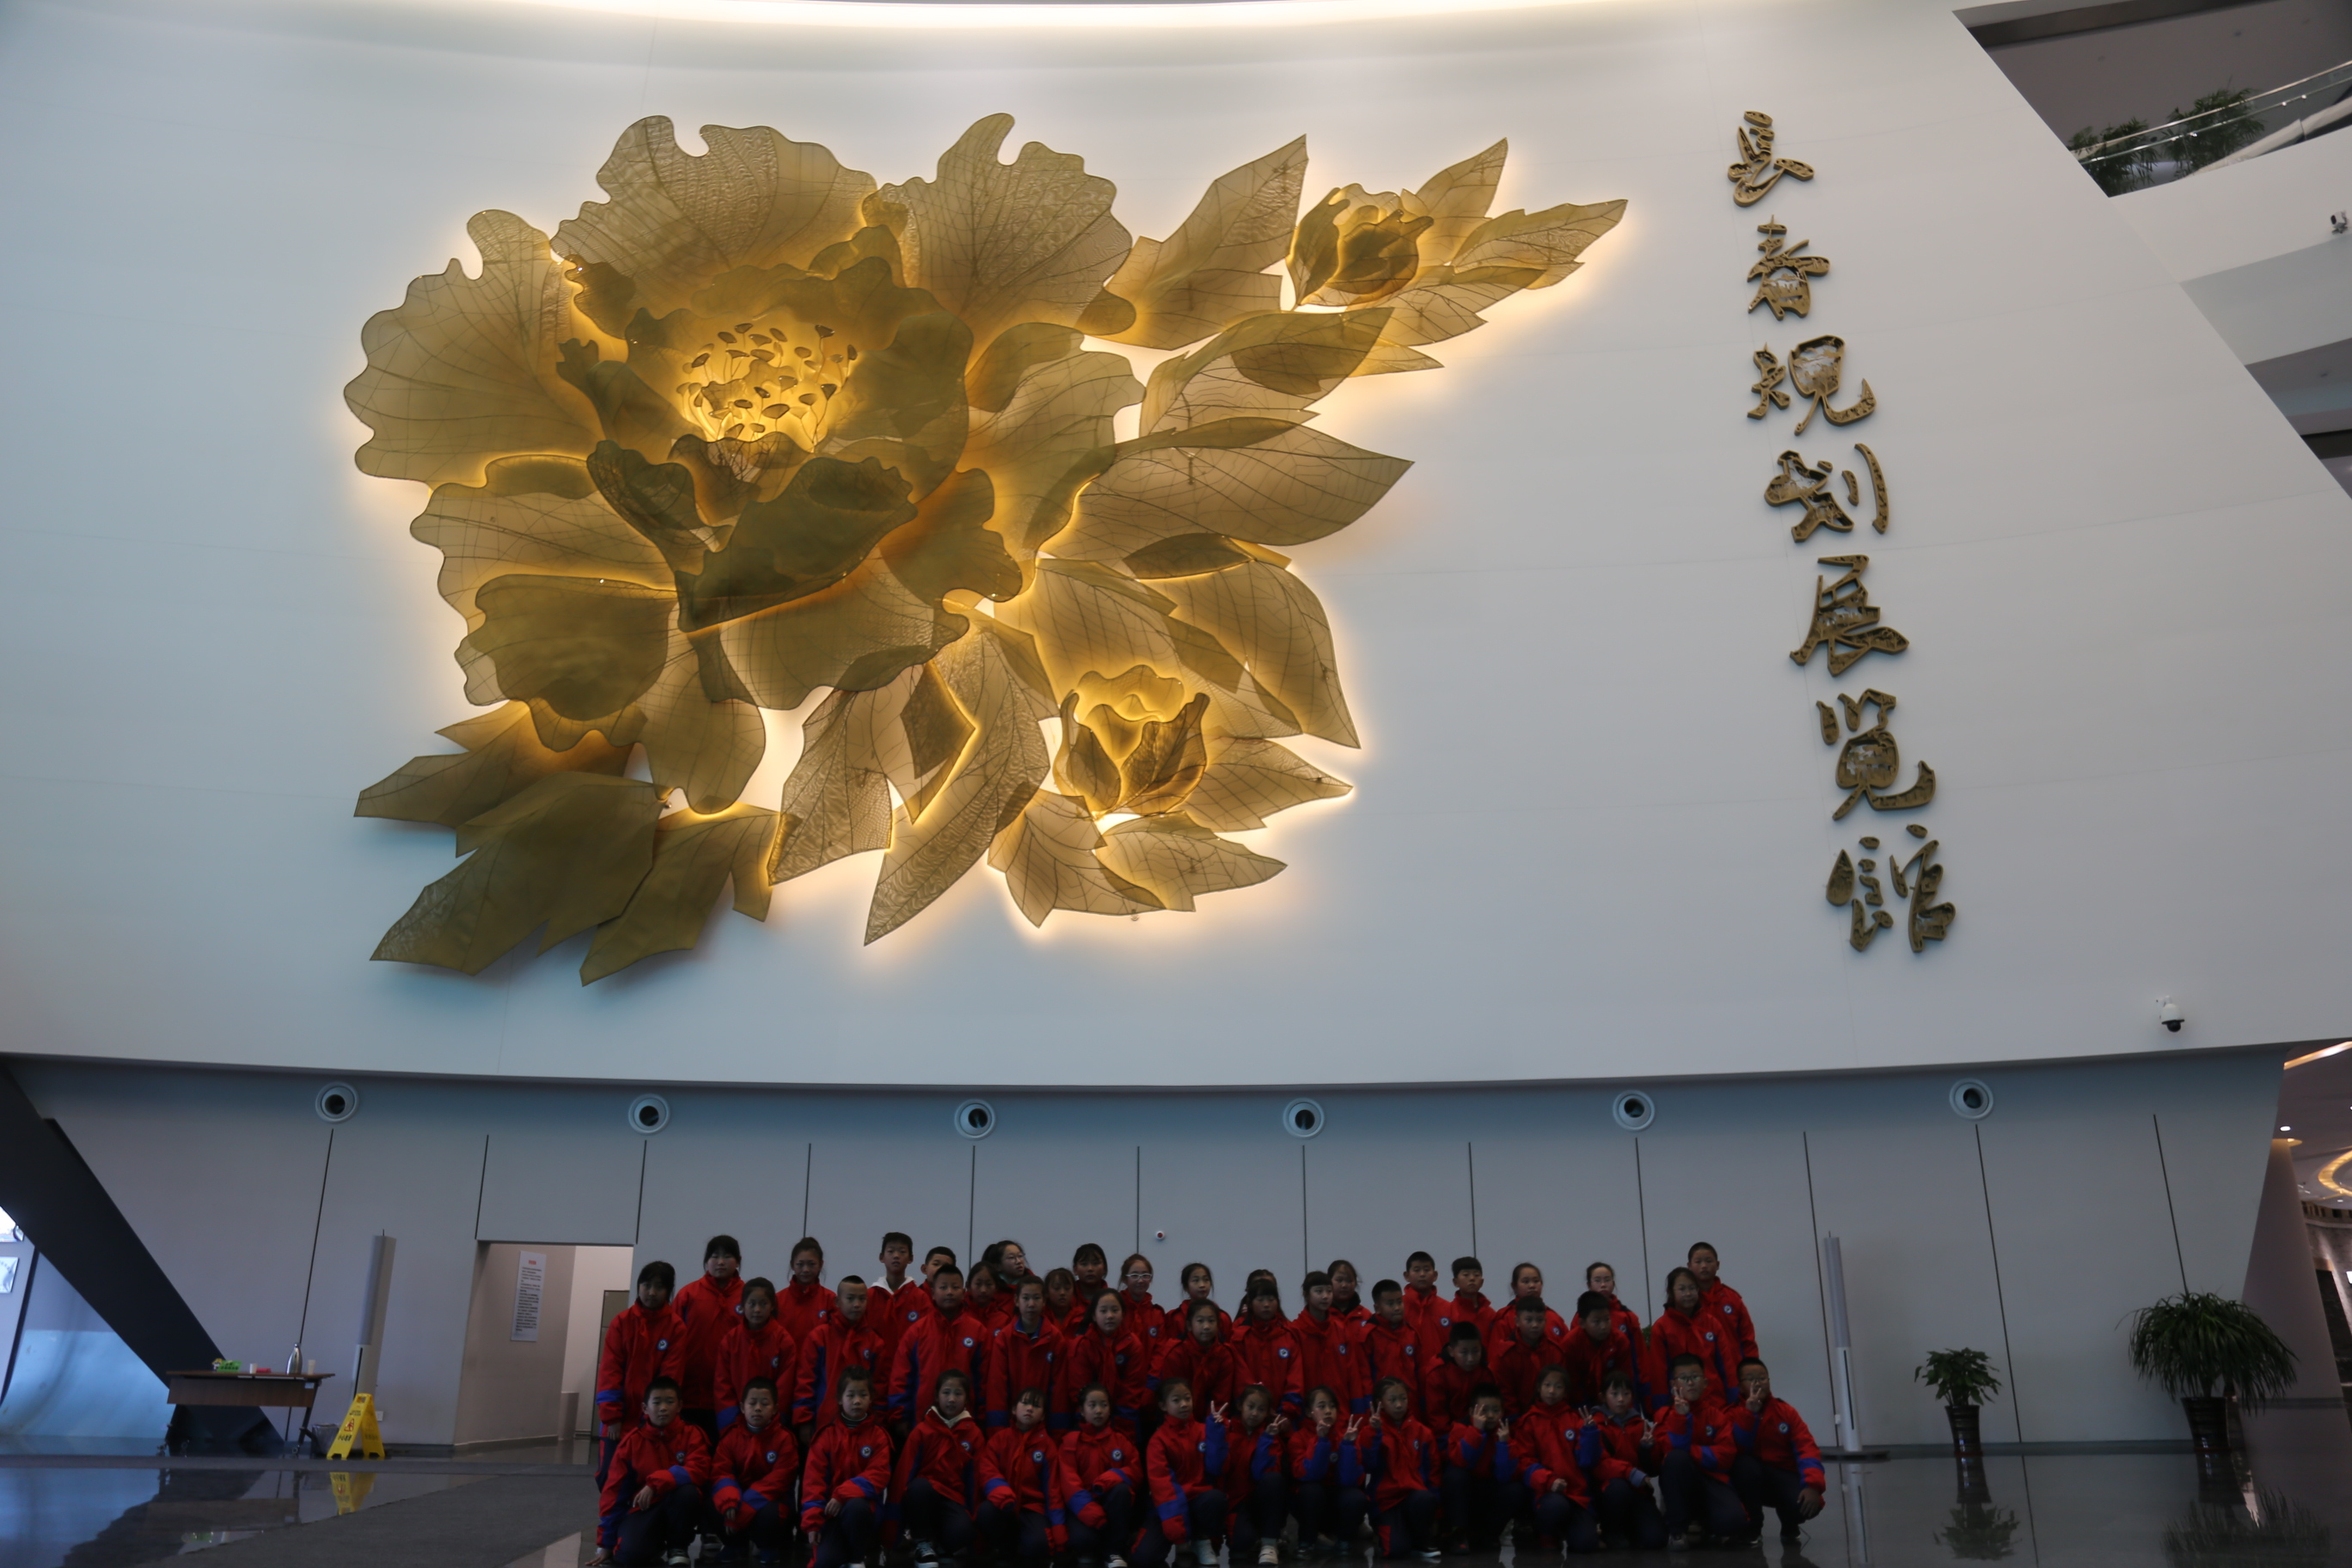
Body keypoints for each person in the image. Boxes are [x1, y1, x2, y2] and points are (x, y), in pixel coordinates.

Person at [895, 1367, 1013, 1565]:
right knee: (919, 1488)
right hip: (924, 1496)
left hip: (953, 1499)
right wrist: (894, 1526)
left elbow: (975, 1480)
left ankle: (941, 1547)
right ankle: (923, 1543)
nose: (951, 1399)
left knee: (964, 1532)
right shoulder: (922, 1431)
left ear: (966, 1399)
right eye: (946, 1393)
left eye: (958, 1393)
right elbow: (903, 1474)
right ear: (936, 1396)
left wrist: (973, 1519)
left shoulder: (974, 1434)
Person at [594, 1375, 710, 1567]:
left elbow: (699, 1469)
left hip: (678, 1505)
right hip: (645, 1507)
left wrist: (656, 1483)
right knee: (629, 1556)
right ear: (645, 1408)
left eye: (669, 1402)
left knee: (688, 1492)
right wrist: (606, 1543)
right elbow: (614, 1493)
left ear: (679, 1406)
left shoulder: (693, 1434)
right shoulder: (632, 1442)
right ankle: (653, 1544)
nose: (663, 1408)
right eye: (657, 1402)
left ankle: (678, 1547)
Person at [597, 1261, 684, 1485]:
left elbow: (670, 1378)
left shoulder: (676, 1328)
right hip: (618, 1420)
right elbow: (609, 1372)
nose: (651, 1292)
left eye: (659, 1287)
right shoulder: (621, 1323)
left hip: (654, 1421)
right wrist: (612, 1417)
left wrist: (653, 1418)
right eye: (646, 1285)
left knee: (648, 1480)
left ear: (669, 1291)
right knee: (609, 1478)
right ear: (638, 1286)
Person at [1654, 1353, 1752, 1549]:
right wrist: (1681, 1419)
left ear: (1705, 1382)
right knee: (1676, 1459)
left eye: (1695, 1377)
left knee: (1733, 1522)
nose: (1690, 1383)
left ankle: (1707, 1524)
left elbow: (1726, 1455)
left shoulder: (1717, 1416)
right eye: (1684, 1378)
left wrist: (1691, 1453)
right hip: (1682, 1482)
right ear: (1674, 1384)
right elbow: (1667, 1453)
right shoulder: (1664, 1416)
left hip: (1712, 1479)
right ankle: (1677, 1531)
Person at [800, 1367, 892, 1568]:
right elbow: (813, 1483)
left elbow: (879, 1475)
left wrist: (842, 1494)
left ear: (871, 1399)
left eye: (863, 1395)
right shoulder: (825, 1437)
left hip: (864, 1511)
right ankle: (843, 1551)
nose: (857, 1401)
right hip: (831, 1513)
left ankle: (856, 1560)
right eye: (851, 1395)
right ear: (840, 1399)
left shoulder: (879, 1436)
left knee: (856, 1506)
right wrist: (813, 1523)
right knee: (825, 1563)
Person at [1134, 1376, 1228, 1568]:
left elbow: (1217, 1468)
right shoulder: (1158, 1441)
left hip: (1198, 1501)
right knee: (1143, 1558)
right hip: (1169, 1509)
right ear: (1163, 1406)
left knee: (1216, 1499)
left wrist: (1217, 1434)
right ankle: (1182, 1538)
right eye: (1176, 1400)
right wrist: (1178, 1531)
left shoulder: (1204, 1430)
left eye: (1187, 1398)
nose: (1184, 1404)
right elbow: (1163, 1488)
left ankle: (1201, 1540)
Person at [1728, 1359, 1824, 1542]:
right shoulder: (1731, 1414)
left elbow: (1807, 1449)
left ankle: (1790, 1522)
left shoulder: (1786, 1412)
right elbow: (1737, 1448)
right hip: (1750, 1478)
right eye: (1751, 1379)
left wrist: (1812, 1485)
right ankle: (1753, 1528)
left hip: (1783, 1474)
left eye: (1762, 1378)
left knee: (1806, 1504)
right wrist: (1749, 1415)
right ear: (1740, 1386)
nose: (1757, 1383)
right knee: (1744, 1466)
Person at [1344, 1376, 1440, 1562]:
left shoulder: (1423, 1432)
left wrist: (1437, 1512)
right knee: (1395, 1552)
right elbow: (1367, 1465)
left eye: (1403, 1398)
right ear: (1380, 1403)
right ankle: (1391, 1535)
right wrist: (1374, 1433)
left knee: (1426, 1499)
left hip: (1414, 1497)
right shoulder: (1370, 1431)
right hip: (1386, 1502)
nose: (1399, 1405)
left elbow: (1433, 1472)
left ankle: (1421, 1540)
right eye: (1392, 1400)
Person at [890, 1264, 991, 1436]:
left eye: (955, 1287)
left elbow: (985, 1380)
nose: (949, 1292)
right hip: (922, 1423)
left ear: (964, 1292)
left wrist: (982, 1417)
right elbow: (901, 1376)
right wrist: (899, 1416)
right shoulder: (917, 1332)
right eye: (943, 1288)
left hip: (966, 1425)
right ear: (933, 1293)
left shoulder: (978, 1332)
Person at [707, 1376, 800, 1565]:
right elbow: (721, 1472)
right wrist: (730, 1499)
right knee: (715, 1503)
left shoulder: (785, 1439)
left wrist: (746, 1505)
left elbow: (779, 1480)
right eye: (752, 1403)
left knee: (770, 1514)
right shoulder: (731, 1437)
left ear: (775, 1409)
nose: (758, 1408)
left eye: (764, 1404)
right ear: (742, 1407)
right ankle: (735, 1545)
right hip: (739, 1498)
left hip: (772, 1502)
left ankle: (768, 1547)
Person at [1514, 1375, 1602, 1555]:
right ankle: (1547, 1535)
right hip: (1545, 1492)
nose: (1552, 1391)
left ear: (1566, 1392)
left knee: (1585, 1544)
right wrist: (1549, 1481)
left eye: (1558, 1386)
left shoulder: (1575, 1418)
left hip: (1576, 1494)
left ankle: (1570, 1529)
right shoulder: (1528, 1421)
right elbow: (1524, 1463)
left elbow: (1587, 1461)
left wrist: (1590, 1434)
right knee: (1555, 1506)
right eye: (1547, 1385)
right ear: (1539, 1388)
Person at [1580, 1372, 1665, 1550]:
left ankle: (1631, 1527)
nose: (1621, 1399)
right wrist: (1630, 1472)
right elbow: (1598, 1464)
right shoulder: (1595, 1425)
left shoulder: (1639, 1424)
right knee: (1618, 1489)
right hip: (1609, 1491)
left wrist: (1648, 1449)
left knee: (1655, 1540)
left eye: (1626, 1394)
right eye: (1614, 1394)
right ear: (1603, 1397)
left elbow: (1653, 1469)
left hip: (1638, 1491)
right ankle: (1611, 1531)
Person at [1063, 1383, 1144, 1568]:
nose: (1098, 1410)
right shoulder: (1070, 1442)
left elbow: (1136, 1471)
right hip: (1082, 1508)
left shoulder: (1120, 1440)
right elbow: (1069, 1484)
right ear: (1082, 1411)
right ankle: (1088, 1550)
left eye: (1104, 1405)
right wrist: (1092, 1512)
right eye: (1092, 1405)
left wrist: (1112, 1476)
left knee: (1122, 1490)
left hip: (1111, 1505)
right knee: (1083, 1540)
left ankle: (1113, 1552)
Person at [672, 1236, 745, 1441]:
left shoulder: (748, 1297)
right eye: (714, 1257)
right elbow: (672, 1346)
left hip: (733, 1400)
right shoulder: (688, 1295)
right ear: (706, 1261)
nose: (720, 1262)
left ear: (738, 1261)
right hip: (690, 1397)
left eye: (727, 1256)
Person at [982, 1387, 1065, 1566]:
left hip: (1033, 1508)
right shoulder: (1000, 1439)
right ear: (1014, 1409)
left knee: (1038, 1545)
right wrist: (1003, 1495)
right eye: (1025, 1403)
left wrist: (1058, 1526)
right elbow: (987, 1471)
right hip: (1005, 1504)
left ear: (1043, 1416)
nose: (1030, 1409)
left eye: (1036, 1406)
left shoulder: (1048, 1446)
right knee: (986, 1512)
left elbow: (1053, 1489)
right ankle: (1004, 1552)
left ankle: (1025, 1551)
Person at [794, 1274, 884, 1442]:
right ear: (837, 1302)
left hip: (864, 1428)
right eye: (850, 1299)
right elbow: (806, 1381)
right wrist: (804, 1420)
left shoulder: (875, 1342)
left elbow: (880, 1386)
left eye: (862, 1299)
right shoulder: (819, 1337)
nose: (856, 1304)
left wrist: (879, 1421)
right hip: (824, 1424)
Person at [1438, 1387, 1526, 1555]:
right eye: (1484, 1411)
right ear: (1472, 1412)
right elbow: (1462, 1462)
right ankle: (1458, 1534)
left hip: (1487, 1490)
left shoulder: (1504, 1433)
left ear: (1502, 1412)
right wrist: (1476, 1431)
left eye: (1496, 1410)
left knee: (1516, 1490)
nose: (1491, 1415)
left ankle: (1490, 1534)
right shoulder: (1460, 1428)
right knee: (1456, 1477)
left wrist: (1504, 1445)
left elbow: (1505, 1476)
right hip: (1466, 1492)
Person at [1288, 1385, 1368, 1559]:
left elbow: (1349, 1480)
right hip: (1311, 1503)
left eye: (1332, 1406)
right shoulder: (1299, 1438)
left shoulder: (1346, 1435)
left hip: (1336, 1501)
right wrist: (1322, 1440)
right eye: (1322, 1406)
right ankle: (1306, 1542)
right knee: (1311, 1491)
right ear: (1309, 1412)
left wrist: (1347, 1445)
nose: (1328, 1411)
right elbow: (1309, 1475)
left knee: (1356, 1497)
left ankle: (1344, 1541)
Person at [1219, 1382, 1292, 1567]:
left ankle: (1270, 1542)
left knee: (1273, 1479)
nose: (1254, 1413)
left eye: (1261, 1409)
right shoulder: (1226, 1431)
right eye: (1250, 1407)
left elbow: (1261, 1475)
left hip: (1260, 1500)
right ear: (1240, 1406)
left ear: (1267, 1413)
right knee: (1241, 1545)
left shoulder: (1271, 1436)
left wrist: (1266, 1440)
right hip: (1236, 1502)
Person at [715, 1277, 796, 1434]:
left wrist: (772, 1418)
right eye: (752, 1304)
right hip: (736, 1424)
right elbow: (722, 1384)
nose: (757, 1309)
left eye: (763, 1304)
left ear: (772, 1306)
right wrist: (732, 1422)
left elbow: (785, 1386)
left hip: (773, 1425)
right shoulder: (730, 1340)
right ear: (742, 1306)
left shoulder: (784, 1341)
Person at [989, 1274, 1069, 1430]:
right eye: (1026, 1298)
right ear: (1016, 1300)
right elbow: (997, 1386)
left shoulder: (1055, 1338)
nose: (1031, 1304)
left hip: (1044, 1422)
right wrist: (997, 1429)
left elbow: (1059, 1389)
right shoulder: (1005, 1338)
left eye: (1036, 1298)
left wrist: (1058, 1429)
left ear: (1044, 1301)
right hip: (1011, 1422)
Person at [1068, 1285, 1153, 1432]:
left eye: (1115, 1310)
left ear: (1123, 1314)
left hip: (1125, 1419)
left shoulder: (1133, 1345)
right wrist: (1094, 1412)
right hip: (1088, 1418)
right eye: (1103, 1311)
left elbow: (1132, 1390)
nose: (1109, 1316)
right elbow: (1079, 1388)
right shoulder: (1082, 1345)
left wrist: (1120, 1424)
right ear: (1094, 1315)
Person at [1648, 1268, 1738, 1406]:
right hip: (1678, 1405)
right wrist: (1661, 1407)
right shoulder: (1661, 1328)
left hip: (1715, 1402)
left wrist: (1734, 1397)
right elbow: (1659, 1372)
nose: (1688, 1293)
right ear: (1671, 1292)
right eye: (1682, 1289)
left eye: (1692, 1288)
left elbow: (1727, 1365)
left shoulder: (1712, 1323)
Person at [1292, 1272, 1366, 1418]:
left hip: (1340, 1410)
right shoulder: (1295, 1331)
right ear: (1306, 1295)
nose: (1325, 1296)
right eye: (1319, 1291)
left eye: (1329, 1291)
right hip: (1308, 1413)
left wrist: (1358, 1411)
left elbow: (1353, 1374)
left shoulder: (1341, 1329)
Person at [1562, 1290, 1650, 1411]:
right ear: (1582, 1323)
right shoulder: (1570, 1344)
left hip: (1614, 1399)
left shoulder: (1620, 1341)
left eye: (1607, 1319)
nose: (1603, 1326)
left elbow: (1625, 1378)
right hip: (1580, 1402)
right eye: (1596, 1322)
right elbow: (1572, 1384)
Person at [1155, 1298, 1240, 1415]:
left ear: (1218, 1325)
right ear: (1189, 1325)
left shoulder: (1225, 1354)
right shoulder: (1176, 1353)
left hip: (1213, 1418)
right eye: (1200, 1321)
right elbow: (1173, 1397)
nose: (1206, 1326)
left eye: (1211, 1321)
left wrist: (1212, 1422)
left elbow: (1221, 1398)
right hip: (1179, 1416)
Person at [1231, 1282, 1305, 1416]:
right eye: (1260, 1300)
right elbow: (1241, 1379)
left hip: (1284, 1416)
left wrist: (1287, 1411)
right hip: (1250, 1415)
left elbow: (1295, 1378)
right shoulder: (1240, 1338)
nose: (1266, 1304)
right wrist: (1258, 1406)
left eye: (1271, 1300)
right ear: (1250, 1304)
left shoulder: (1289, 1336)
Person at [1488, 1295, 1568, 1417]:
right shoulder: (1505, 1356)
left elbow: (1562, 1388)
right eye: (1529, 1320)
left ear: (1546, 1321)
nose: (1535, 1325)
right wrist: (1517, 1420)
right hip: (1514, 1418)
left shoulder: (1555, 1352)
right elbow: (1504, 1393)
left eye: (1540, 1320)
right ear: (1517, 1322)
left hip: (1551, 1415)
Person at [1687, 1245, 1759, 1366]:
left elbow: (1747, 1338)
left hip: (1733, 1366)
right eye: (1698, 1262)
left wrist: (1751, 1367)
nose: (1704, 1266)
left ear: (1718, 1264)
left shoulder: (1732, 1298)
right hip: (1698, 1369)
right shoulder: (1686, 1300)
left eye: (1709, 1261)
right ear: (1689, 1266)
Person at [1359, 1280, 1422, 1418]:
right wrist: (1370, 1406)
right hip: (1383, 1407)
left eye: (1399, 1302)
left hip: (1411, 1405)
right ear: (1377, 1308)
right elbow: (1365, 1376)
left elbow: (1419, 1372)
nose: (1397, 1308)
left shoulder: (1412, 1333)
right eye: (1390, 1304)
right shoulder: (1369, 1335)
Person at [1485, 1265, 1568, 1362]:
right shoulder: (1505, 1319)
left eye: (1536, 1281)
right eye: (1526, 1282)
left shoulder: (1554, 1317)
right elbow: (1495, 1358)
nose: (1532, 1286)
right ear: (1514, 1286)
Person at [1419, 1324, 1490, 1432]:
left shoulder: (1485, 1373)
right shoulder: (1437, 1374)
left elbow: (1491, 1410)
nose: (1470, 1359)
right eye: (1464, 1352)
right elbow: (1438, 1419)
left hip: (1481, 1428)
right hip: (1447, 1434)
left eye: (1475, 1351)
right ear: (1451, 1351)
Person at [778, 1238, 837, 1346]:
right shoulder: (777, 1300)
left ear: (821, 1264)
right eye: (800, 1264)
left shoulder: (830, 1299)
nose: (806, 1269)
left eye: (811, 1264)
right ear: (792, 1264)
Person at [1583, 1262, 1643, 1350]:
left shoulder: (1628, 1317)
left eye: (1607, 1280)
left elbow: (1640, 1352)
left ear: (1613, 1284)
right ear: (1589, 1285)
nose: (1603, 1285)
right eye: (1597, 1281)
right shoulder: (1581, 1317)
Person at [1118, 1254, 1166, 1356]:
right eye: (1134, 1275)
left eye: (1145, 1275)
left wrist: (1153, 1368)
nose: (1141, 1280)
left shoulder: (1157, 1314)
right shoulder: (1116, 1311)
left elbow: (1161, 1350)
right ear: (1124, 1279)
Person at [1399, 1252, 1445, 1355]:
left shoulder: (1447, 1308)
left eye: (1427, 1270)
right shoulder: (1398, 1307)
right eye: (1417, 1270)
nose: (1422, 1274)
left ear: (1435, 1275)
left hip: (1439, 1365)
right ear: (1407, 1276)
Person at [1173, 1264, 1231, 1340]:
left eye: (1206, 1280)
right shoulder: (1176, 1318)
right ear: (1186, 1287)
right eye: (1196, 1280)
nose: (1202, 1285)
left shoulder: (1222, 1317)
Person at [1443, 1258, 1496, 1343]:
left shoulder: (1490, 1314)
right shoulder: (1449, 1312)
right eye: (1466, 1275)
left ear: (1482, 1282)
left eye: (1476, 1275)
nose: (1472, 1278)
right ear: (1455, 1282)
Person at [1326, 1261, 1370, 1328]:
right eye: (1339, 1280)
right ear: (1329, 1282)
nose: (1344, 1285)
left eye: (1349, 1281)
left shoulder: (1366, 1316)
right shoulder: (1322, 1314)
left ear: (1355, 1283)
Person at [1046, 1267, 1084, 1334]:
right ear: (1046, 1292)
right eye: (1057, 1288)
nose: (1062, 1293)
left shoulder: (1082, 1317)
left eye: (1067, 1288)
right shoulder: (1039, 1317)